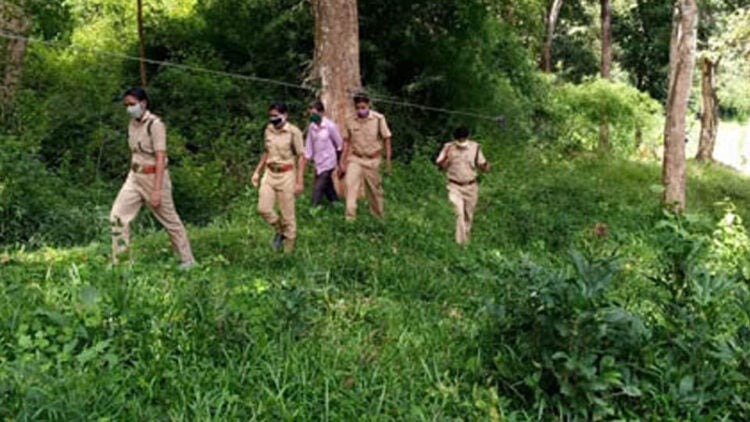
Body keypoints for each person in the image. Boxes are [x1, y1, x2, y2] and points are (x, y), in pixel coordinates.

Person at [110, 87, 196, 268]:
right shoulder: (132, 124)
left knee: (170, 220)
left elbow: (160, 157)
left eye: (132, 104)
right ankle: (121, 261)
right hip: (134, 176)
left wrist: (156, 191)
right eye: (126, 105)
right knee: (117, 216)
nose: (129, 109)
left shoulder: (155, 125)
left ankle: (187, 260)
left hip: (154, 177)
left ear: (143, 103)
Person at [252, 102, 305, 253]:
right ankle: (280, 231)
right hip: (269, 173)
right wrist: (257, 172)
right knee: (263, 208)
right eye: (270, 116)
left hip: (287, 174)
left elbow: (301, 156)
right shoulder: (268, 130)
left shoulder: (294, 132)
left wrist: (299, 182)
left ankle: (288, 252)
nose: (273, 119)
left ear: (285, 115)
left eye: (276, 116)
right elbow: (266, 152)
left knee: (288, 214)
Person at [340, 92, 392, 221]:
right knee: (350, 186)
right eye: (358, 108)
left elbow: (387, 138)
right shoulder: (350, 120)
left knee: (374, 191)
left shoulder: (378, 119)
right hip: (355, 159)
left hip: (372, 160)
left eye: (363, 107)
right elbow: (346, 141)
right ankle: (350, 219)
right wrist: (342, 161)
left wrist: (388, 162)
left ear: (368, 105)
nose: (360, 110)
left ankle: (378, 218)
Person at [436, 127, 490, 245]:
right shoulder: (448, 147)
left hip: (471, 186)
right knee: (458, 212)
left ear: (467, 137)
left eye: (463, 139)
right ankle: (460, 243)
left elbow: (482, 164)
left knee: (468, 216)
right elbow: (440, 166)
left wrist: (486, 166)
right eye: (459, 139)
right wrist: (447, 157)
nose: (461, 141)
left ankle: (466, 243)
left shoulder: (475, 147)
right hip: (454, 186)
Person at [298, 100, 343, 206]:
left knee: (319, 186)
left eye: (314, 113)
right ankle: (336, 204)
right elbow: (309, 144)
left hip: (329, 160)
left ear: (321, 112)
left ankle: (313, 208)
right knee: (328, 185)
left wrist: (339, 162)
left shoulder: (330, 126)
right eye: (310, 114)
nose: (312, 116)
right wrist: (307, 157)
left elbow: (339, 145)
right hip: (319, 161)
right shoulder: (312, 127)